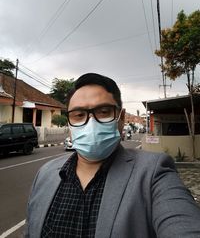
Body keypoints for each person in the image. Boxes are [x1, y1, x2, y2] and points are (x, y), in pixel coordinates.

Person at [25, 73, 200, 238]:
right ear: (70, 122)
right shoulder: (45, 174)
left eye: (103, 112)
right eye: (79, 115)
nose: (90, 123)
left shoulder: (154, 174)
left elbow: (182, 224)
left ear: (121, 117)